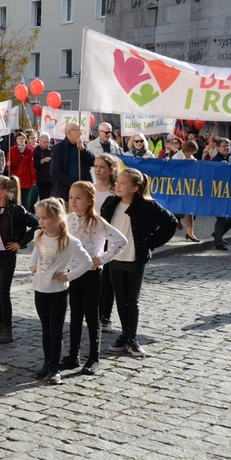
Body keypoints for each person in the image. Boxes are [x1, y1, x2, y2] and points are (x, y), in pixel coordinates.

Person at [101, 168, 177, 357]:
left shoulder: (147, 206)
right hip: (114, 258)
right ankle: (124, 336)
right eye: (117, 182)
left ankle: (131, 338)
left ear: (135, 188)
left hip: (134, 259)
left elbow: (171, 223)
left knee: (131, 300)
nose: (117, 186)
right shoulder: (111, 203)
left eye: (122, 183)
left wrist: (149, 243)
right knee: (119, 298)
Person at [64, 181, 127, 375]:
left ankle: (94, 357)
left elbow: (120, 241)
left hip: (91, 274)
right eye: (71, 197)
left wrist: (102, 259)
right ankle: (73, 355)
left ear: (90, 200)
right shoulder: (68, 219)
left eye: (78, 198)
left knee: (92, 316)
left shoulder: (98, 222)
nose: (73, 201)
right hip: (73, 274)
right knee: (75, 316)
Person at [30, 197, 92, 385]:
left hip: (58, 292)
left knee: (55, 331)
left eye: (45, 218)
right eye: (39, 218)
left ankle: (55, 368)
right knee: (45, 330)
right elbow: (35, 254)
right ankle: (47, 363)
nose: (41, 222)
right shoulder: (38, 235)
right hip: (40, 289)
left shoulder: (69, 241)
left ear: (57, 217)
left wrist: (69, 276)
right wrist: (33, 266)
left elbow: (87, 262)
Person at [0, 175, 38, 344]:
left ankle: (8, 329)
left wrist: (21, 243)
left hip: (6, 255)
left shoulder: (16, 210)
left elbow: (36, 224)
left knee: (3, 293)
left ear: (3, 193)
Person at [93, 153, 119, 333]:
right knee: (92, 278)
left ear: (111, 170)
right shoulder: (90, 189)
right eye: (95, 166)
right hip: (92, 239)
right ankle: (92, 312)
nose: (97, 170)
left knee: (108, 280)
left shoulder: (116, 191)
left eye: (101, 167)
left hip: (109, 240)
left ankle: (105, 316)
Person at [49, 123, 95, 203]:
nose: (81, 133)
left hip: (84, 188)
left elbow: (93, 162)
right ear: (69, 133)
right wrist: (73, 182)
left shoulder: (82, 146)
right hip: (66, 190)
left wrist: (83, 150)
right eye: (78, 131)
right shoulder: (58, 148)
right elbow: (55, 172)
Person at [170, 140, 200, 242]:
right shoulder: (176, 158)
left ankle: (190, 232)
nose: (192, 155)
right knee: (172, 211)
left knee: (189, 210)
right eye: (192, 152)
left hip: (187, 188)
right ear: (187, 151)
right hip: (177, 188)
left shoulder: (189, 157)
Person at [7, 132, 35, 209]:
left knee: (25, 199)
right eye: (18, 138)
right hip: (16, 178)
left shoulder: (29, 151)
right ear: (16, 140)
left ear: (25, 139)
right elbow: (9, 166)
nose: (20, 140)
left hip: (26, 178)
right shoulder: (12, 150)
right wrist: (8, 164)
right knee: (15, 199)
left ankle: (25, 217)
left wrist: (33, 179)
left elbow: (31, 166)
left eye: (22, 138)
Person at [33, 133, 53, 200]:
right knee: (43, 197)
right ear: (40, 141)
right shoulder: (36, 151)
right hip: (41, 178)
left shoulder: (51, 150)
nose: (46, 144)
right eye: (44, 142)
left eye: (48, 142)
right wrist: (42, 161)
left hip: (50, 178)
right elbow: (34, 164)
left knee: (50, 196)